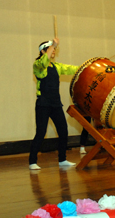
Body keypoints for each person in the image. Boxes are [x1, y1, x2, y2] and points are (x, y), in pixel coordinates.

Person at [29, 38, 79, 170]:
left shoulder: (56, 67)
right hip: (43, 104)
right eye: (51, 49)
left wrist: (86, 67)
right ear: (43, 51)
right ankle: (32, 161)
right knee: (41, 132)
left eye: (54, 49)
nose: (54, 51)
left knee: (63, 131)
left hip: (56, 104)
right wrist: (53, 44)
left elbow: (71, 69)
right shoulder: (38, 65)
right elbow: (44, 62)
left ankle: (62, 159)